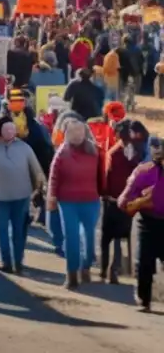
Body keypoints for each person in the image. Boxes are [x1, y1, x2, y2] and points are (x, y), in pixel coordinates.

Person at [0, 115, 45, 275]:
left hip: (21, 196)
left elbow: (36, 170)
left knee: (18, 231)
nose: (10, 132)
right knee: (1, 231)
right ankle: (6, 262)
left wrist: (40, 188)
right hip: (0, 197)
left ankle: (18, 261)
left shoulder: (24, 148)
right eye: (6, 129)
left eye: (12, 129)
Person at [48, 118, 102, 289]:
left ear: (85, 132)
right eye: (73, 132)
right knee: (71, 237)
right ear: (66, 134)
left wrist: (105, 193)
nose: (77, 135)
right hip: (68, 202)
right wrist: (52, 198)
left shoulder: (95, 151)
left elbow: (102, 175)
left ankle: (85, 267)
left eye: (80, 131)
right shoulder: (62, 153)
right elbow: (53, 178)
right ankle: (71, 275)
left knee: (89, 237)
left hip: (91, 201)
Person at [118, 135, 164, 312]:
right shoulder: (143, 172)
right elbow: (123, 201)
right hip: (148, 223)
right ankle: (144, 299)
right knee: (144, 263)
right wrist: (140, 201)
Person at [101, 119, 147, 283]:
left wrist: (104, 193)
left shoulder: (114, 152)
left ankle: (107, 268)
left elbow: (107, 175)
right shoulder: (138, 153)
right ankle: (118, 268)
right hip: (129, 202)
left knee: (108, 237)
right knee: (122, 236)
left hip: (113, 200)